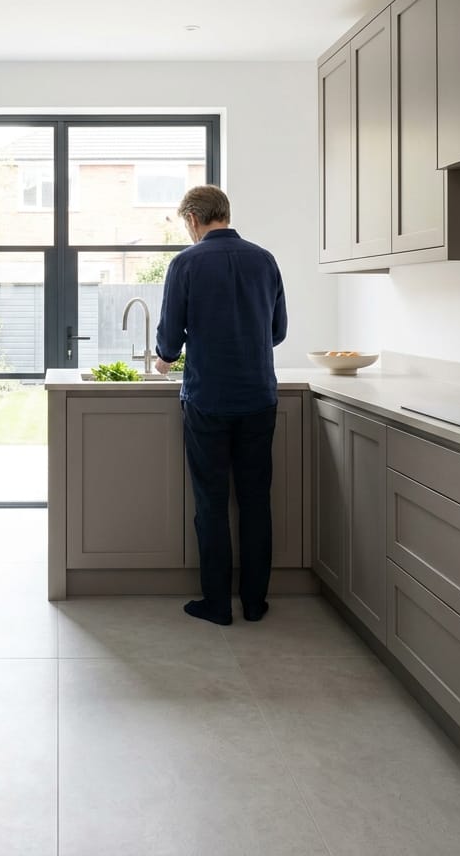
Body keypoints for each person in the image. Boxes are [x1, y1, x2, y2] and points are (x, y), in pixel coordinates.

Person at [155, 185, 287, 626]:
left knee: (211, 502)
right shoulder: (264, 260)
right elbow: (277, 331)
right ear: (224, 214)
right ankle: (254, 602)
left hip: (207, 400)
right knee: (255, 501)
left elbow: (170, 340)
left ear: (193, 218)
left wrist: (163, 358)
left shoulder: (185, 264)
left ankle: (216, 603)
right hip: (258, 399)